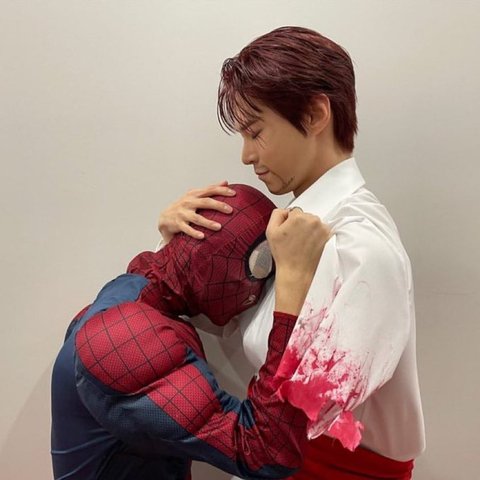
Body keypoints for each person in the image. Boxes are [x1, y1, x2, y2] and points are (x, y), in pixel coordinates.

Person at [158, 26, 425, 480]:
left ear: (316, 113)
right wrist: (173, 245)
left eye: (255, 132)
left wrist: (293, 286)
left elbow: (315, 402)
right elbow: (226, 323)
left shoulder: (364, 246)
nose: (246, 155)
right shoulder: (286, 227)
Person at [50, 183, 331, 480]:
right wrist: (293, 287)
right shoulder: (123, 336)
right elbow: (268, 453)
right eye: (264, 269)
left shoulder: (129, 298)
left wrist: (172, 243)